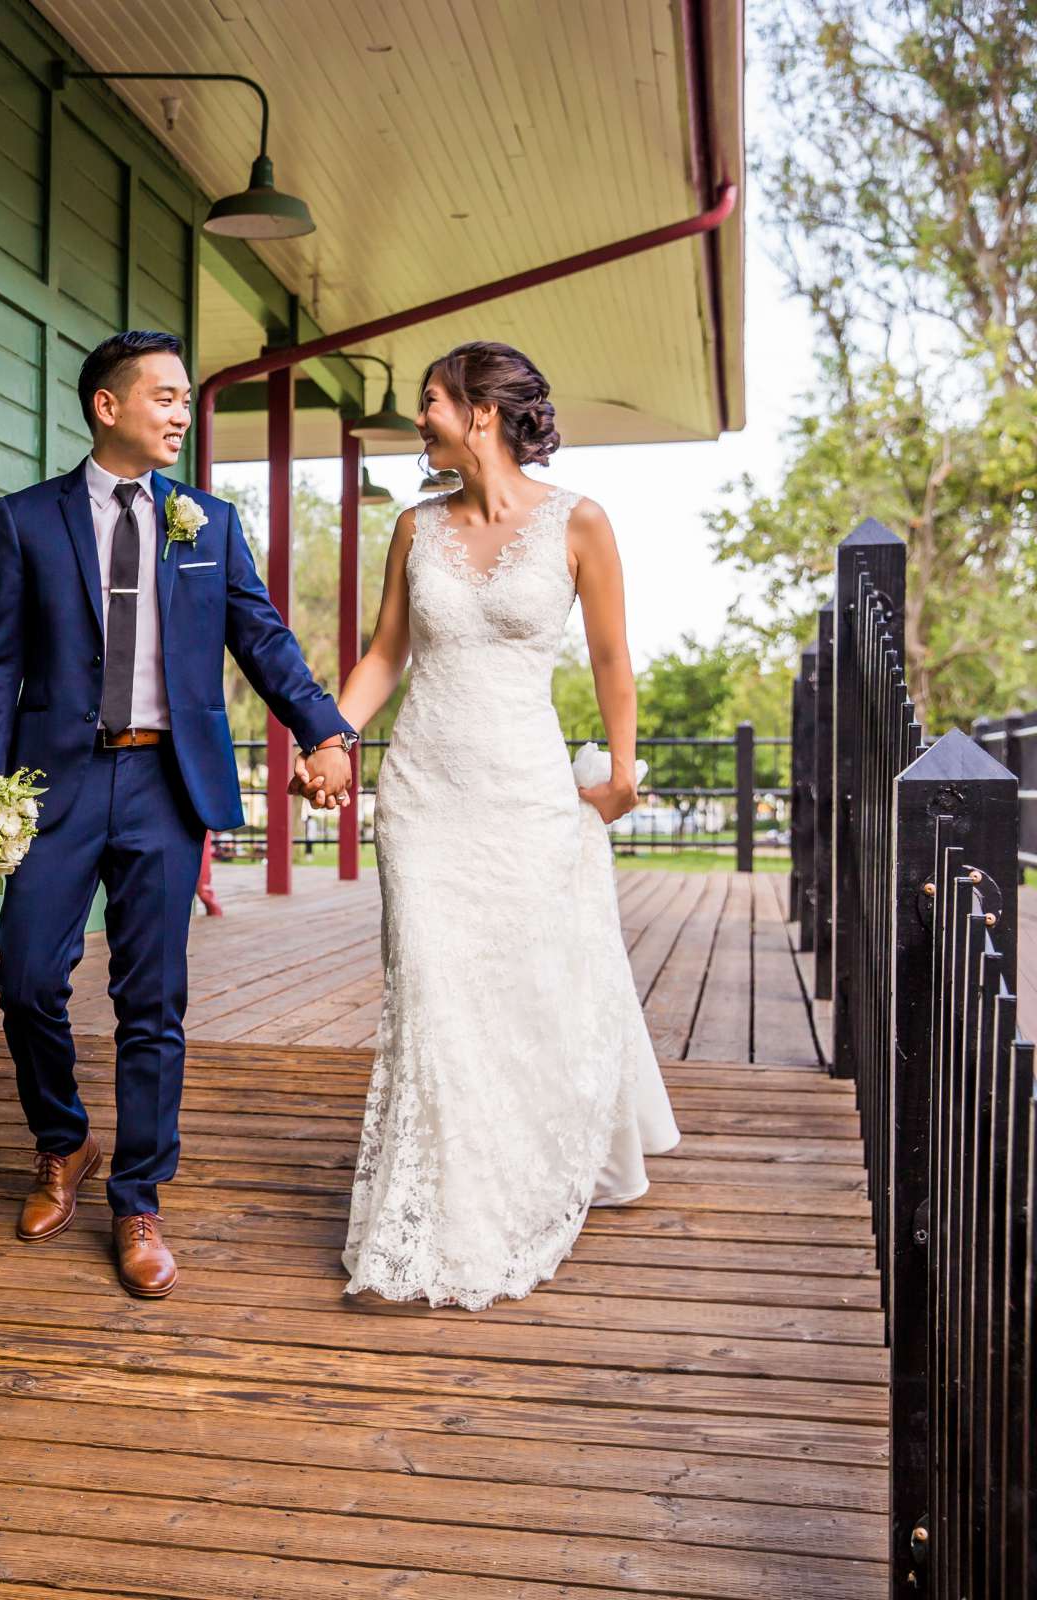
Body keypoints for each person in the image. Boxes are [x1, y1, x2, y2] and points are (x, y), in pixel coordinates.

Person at [0, 330, 355, 1298]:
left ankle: (138, 1196)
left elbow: (263, 639)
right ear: (109, 406)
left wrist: (322, 730)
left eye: (185, 399)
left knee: (153, 1001)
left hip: (164, 787)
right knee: (23, 977)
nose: (182, 412)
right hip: (53, 787)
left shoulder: (207, 524)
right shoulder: (26, 522)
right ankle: (64, 1142)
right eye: (166, 397)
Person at [303, 339, 681, 1311]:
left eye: (430, 400)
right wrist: (333, 736)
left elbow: (610, 658)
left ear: (479, 413)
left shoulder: (580, 522)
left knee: (519, 995)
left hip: (523, 793)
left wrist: (626, 768)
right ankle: (445, 1209)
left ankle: (523, 1170)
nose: (419, 417)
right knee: (431, 996)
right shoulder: (414, 529)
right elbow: (386, 653)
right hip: (425, 796)